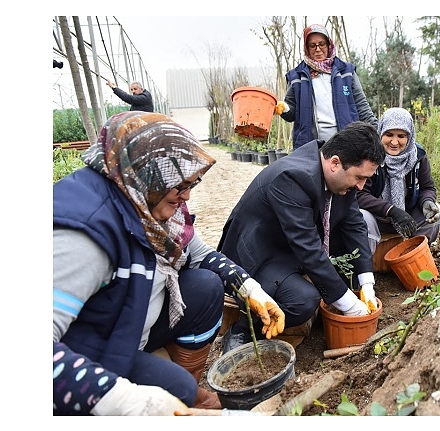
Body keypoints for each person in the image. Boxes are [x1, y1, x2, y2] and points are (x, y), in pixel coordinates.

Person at [53, 111, 284, 415]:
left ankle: (180, 386)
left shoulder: (143, 202)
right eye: (179, 185)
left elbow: (202, 255)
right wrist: (119, 399)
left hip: (124, 324)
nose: (186, 195)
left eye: (192, 184)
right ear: (145, 170)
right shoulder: (85, 232)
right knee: (176, 389)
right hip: (88, 350)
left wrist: (251, 289)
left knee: (206, 286)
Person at [217, 121, 386, 353]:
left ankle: (331, 290)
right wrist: (348, 303)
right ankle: (243, 330)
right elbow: (308, 248)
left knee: (365, 225)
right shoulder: (291, 178)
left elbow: (354, 224)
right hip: (261, 253)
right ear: (335, 163)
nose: (361, 186)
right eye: (359, 177)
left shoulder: (338, 175)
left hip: (292, 242)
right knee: (303, 300)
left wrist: (366, 284)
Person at [274, 23, 377, 150]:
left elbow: (362, 107)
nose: (318, 49)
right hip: (310, 147)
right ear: (306, 48)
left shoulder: (346, 72)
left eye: (321, 44)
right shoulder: (297, 77)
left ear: (329, 45)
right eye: (312, 45)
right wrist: (283, 108)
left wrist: (378, 134)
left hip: (347, 145)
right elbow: (292, 113)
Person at [356, 107, 440, 255]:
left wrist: (427, 201)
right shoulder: (370, 155)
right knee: (361, 217)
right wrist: (391, 210)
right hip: (377, 217)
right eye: (389, 134)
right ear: (380, 132)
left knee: (437, 211)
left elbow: (427, 187)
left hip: (407, 215)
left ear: (409, 137)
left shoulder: (417, 156)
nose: (394, 142)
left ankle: (414, 257)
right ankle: (366, 267)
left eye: (401, 136)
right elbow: (360, 195)